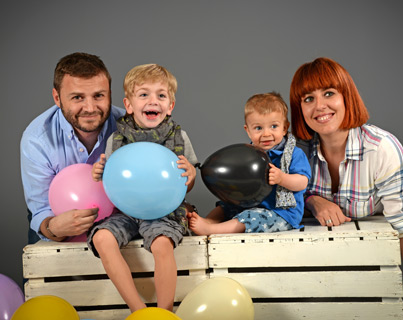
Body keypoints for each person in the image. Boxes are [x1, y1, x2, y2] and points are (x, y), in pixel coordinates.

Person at [289, 57, 403, 319]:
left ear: (346, 96)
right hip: (310, 281)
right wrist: (313, 200)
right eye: (308, 99)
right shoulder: (296, 151)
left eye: (328, 93)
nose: (320, 106)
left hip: (370, 274)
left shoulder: (381, 148)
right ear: (299, 108)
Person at [88, 63, 197, 313]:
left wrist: (190, 175)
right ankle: (138, 311)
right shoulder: (117, 139)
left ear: (170, 106)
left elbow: (186, 185)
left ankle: (164, 312)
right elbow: (111, 182)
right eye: (144, 94)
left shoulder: (179, 137)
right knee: (103, 238)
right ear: (129, 105)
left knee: (162, 243)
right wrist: (99, 173)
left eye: (161, 95)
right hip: (125, 211)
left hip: (163, 210)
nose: (153, 101)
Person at [20, 52, 125, 243]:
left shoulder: (130, 128)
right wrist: (54, 228)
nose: (90, 108)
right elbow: (41, 211)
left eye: (99, 96)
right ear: (57, 98)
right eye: (77, 97)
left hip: (117, 221)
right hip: (57, 217)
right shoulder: (37, 139)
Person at [188, 92, 310, 236]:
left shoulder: (293, 154)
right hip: (251, 203)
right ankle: (208, 221)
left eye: (274, 126)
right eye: (258, 128)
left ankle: (210, 230)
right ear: (248, 131)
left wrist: (282, 178)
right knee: (226, 206)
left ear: (284, 128)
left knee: (251, 217)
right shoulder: (249, 154)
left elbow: (302, 182)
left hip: (281, 213)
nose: (266, 134)